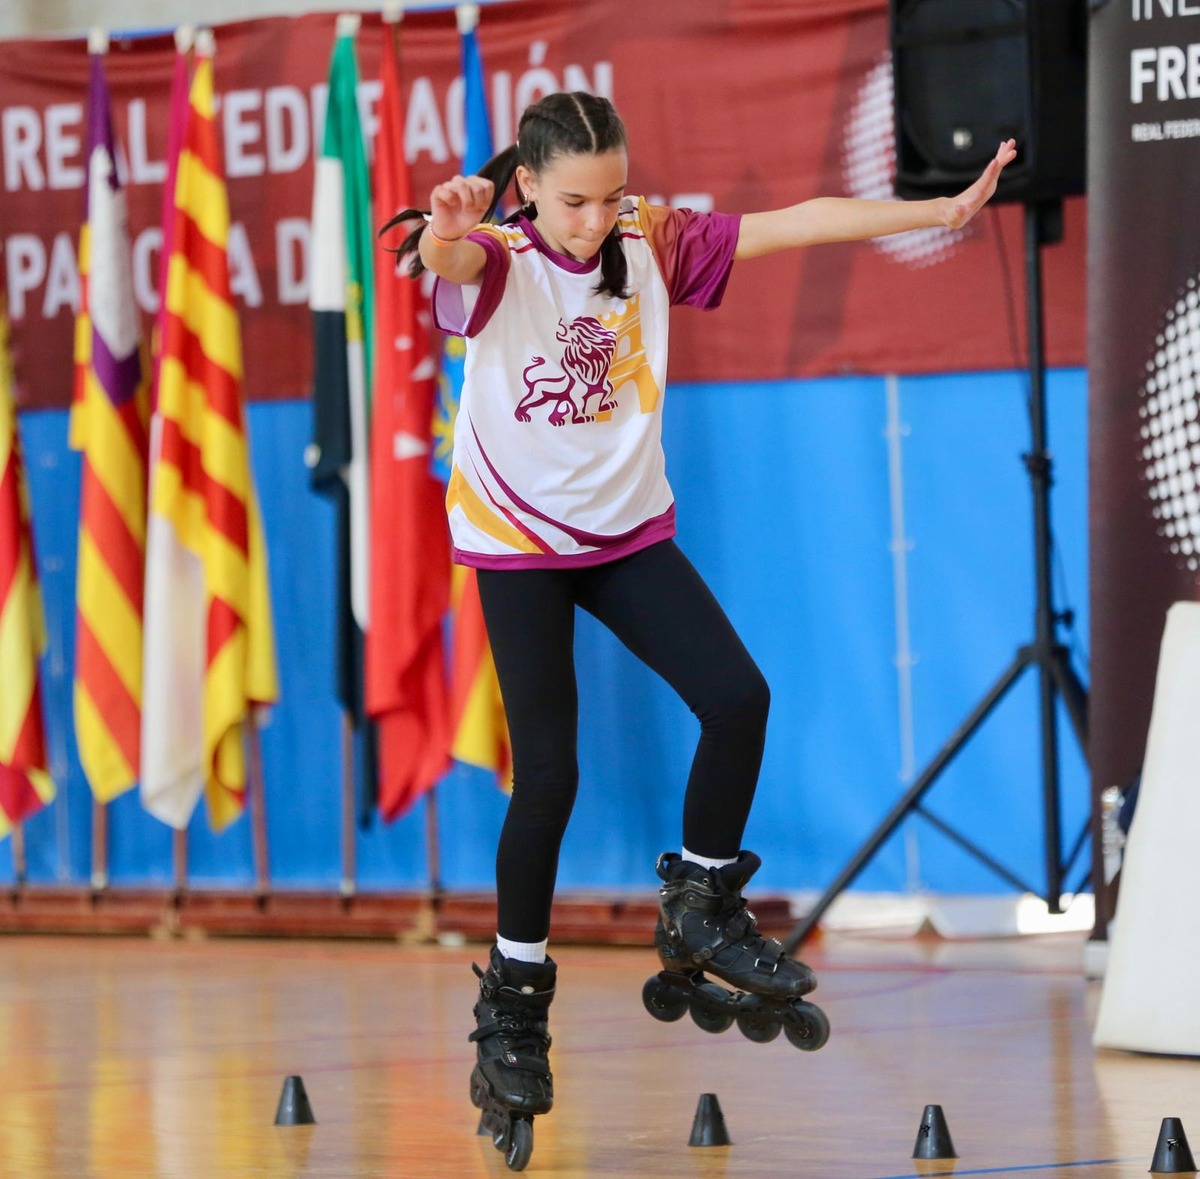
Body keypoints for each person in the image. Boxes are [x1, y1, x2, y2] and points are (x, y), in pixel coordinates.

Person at [388, 90, 1015, 1144]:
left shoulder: (651, 238)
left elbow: (799, 221)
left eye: (610, 197)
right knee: (550, 771)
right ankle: (514, 999)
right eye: (574, 202)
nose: (594, 221)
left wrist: (939, 213)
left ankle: (703, 905)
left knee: (738, 696)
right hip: (519, 546)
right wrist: (448, 235)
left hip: (627, 534)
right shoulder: (497, 259)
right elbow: (449, 269)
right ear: (529, 187)